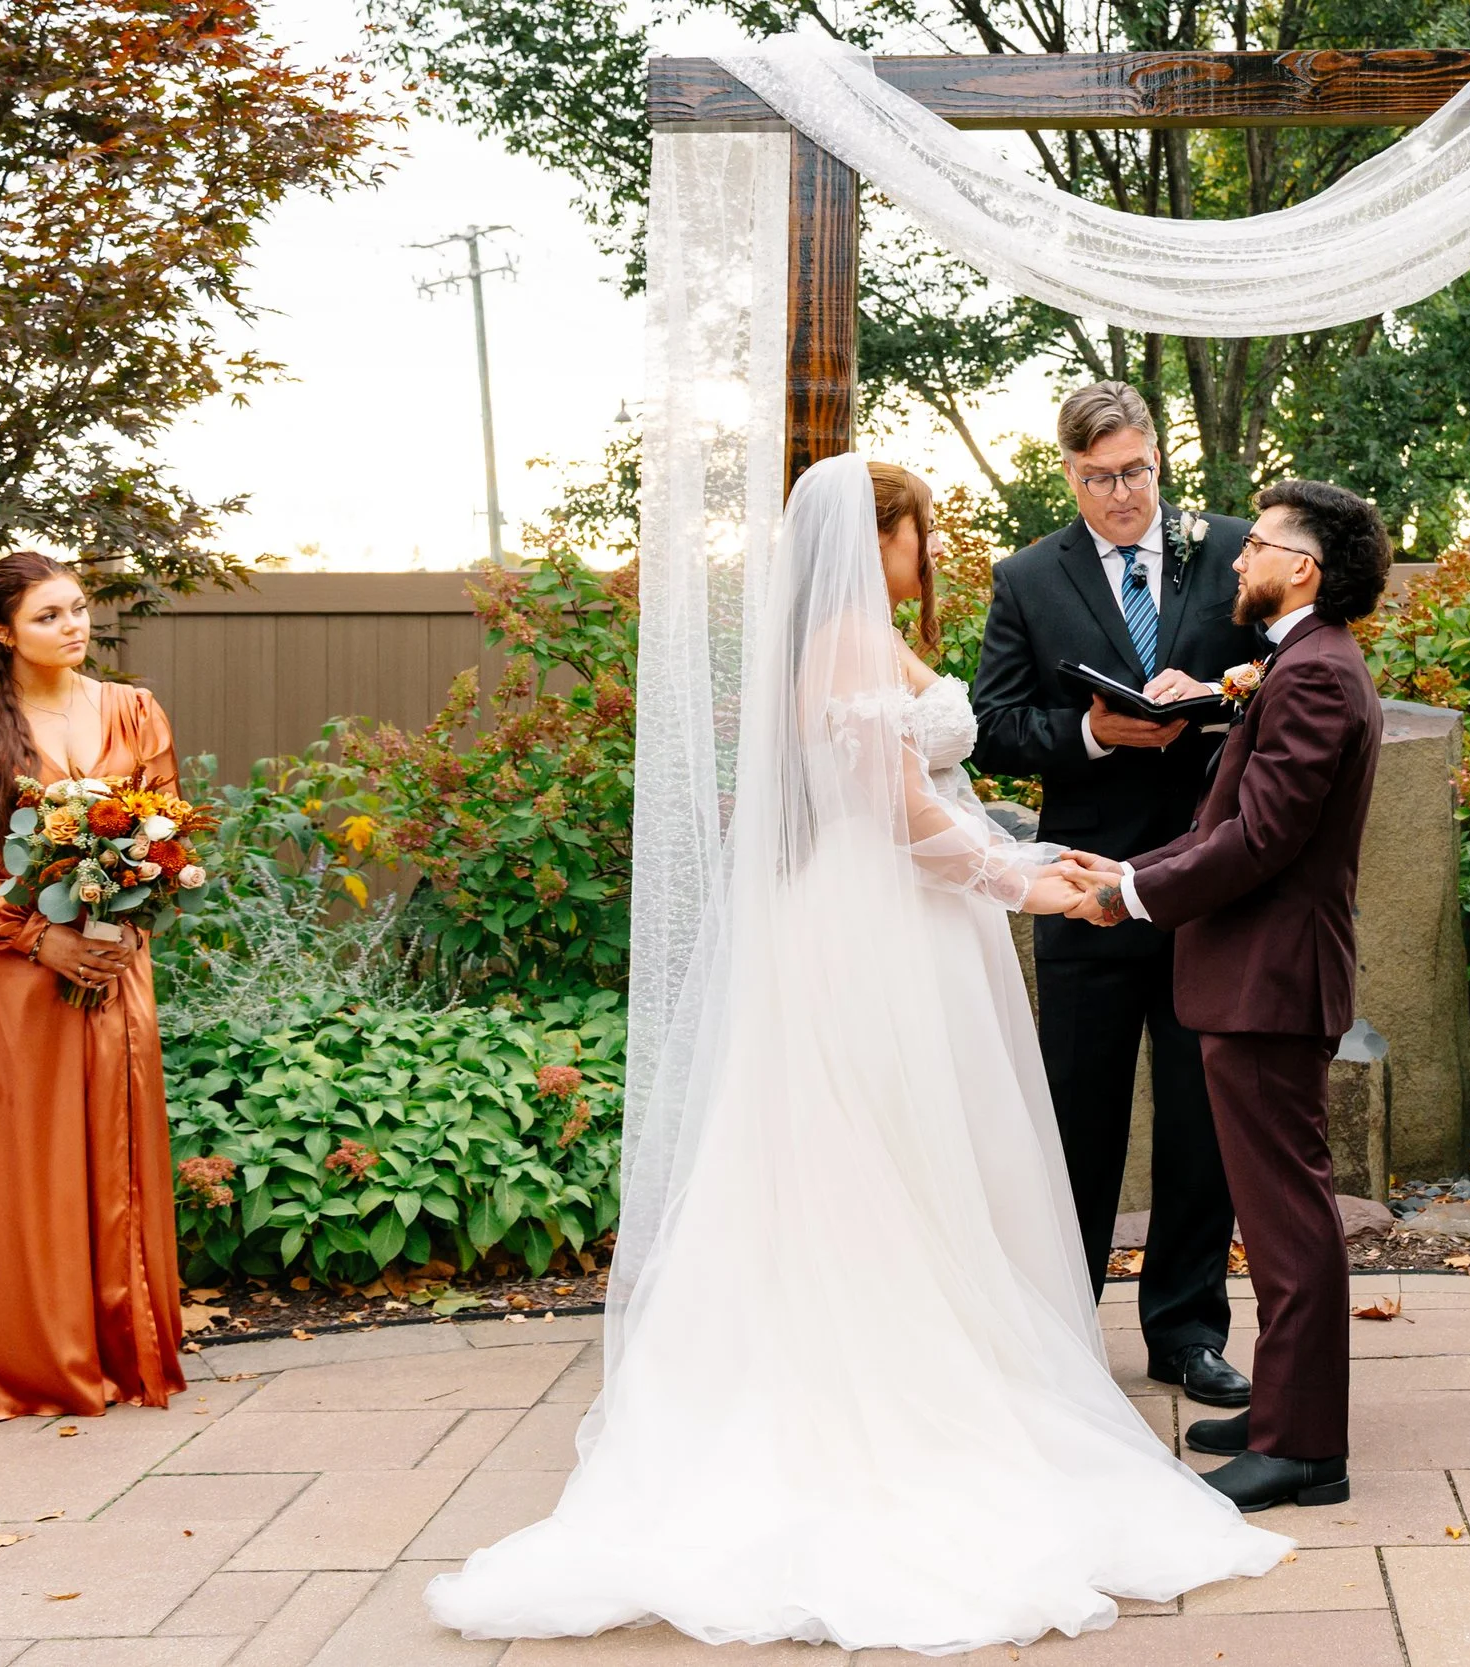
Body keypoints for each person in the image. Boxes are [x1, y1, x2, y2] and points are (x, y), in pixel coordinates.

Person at [426, 458, 1286, 1653]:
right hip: (878, 925)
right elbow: (900, 814)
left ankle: (923, 1364)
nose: (927, 549)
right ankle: (880, 1395)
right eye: (917, 528)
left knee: (905, 1162)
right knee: (878, 1157)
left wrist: (1022, 853)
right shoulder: (843, 640)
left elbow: (932, 789)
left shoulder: (854, 634)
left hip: (903, 917)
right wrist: (1027, 883)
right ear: (876, 535)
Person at [1061, 479, 1394, 1514]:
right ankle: (1279, 1412)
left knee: (1289, 1218)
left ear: (1303, 567)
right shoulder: (1298, 664)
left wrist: (1132, 892)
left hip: (1270, 974)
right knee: (1275, 1208)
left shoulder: (1316, 675)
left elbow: (1262, 839)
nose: (1238, 558)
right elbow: (1224, 819)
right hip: (1254, 970)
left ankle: (1301, 1449)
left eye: (1258, 545)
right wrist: (1124, 869)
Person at [969, 382, 1268, 1411]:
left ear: (1159, 459)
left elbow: (1290, 669)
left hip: (1203, 882)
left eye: (1135, 471)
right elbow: (993, 724)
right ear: (1068, 472)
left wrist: (1217, 692)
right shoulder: (1026, 577)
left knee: (1200, 1116)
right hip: (1085, 886)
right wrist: (1100, 733)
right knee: (1075, 1119)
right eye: (1098, 477)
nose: (1120, 493)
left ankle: (1188, 1332)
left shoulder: (1227, 545)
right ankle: (1058, 1331)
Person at [0, 552, 185, 1426]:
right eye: (49, 616)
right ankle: (17, 1359)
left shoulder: (133, 710)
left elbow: (167, 829)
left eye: (77, 608)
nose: (74, 625)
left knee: (110, 1141)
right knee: (14, 1157)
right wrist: (42, 938)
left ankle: (117, 1348)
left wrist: (119, 927)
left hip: (110, 962)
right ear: (1, 631)